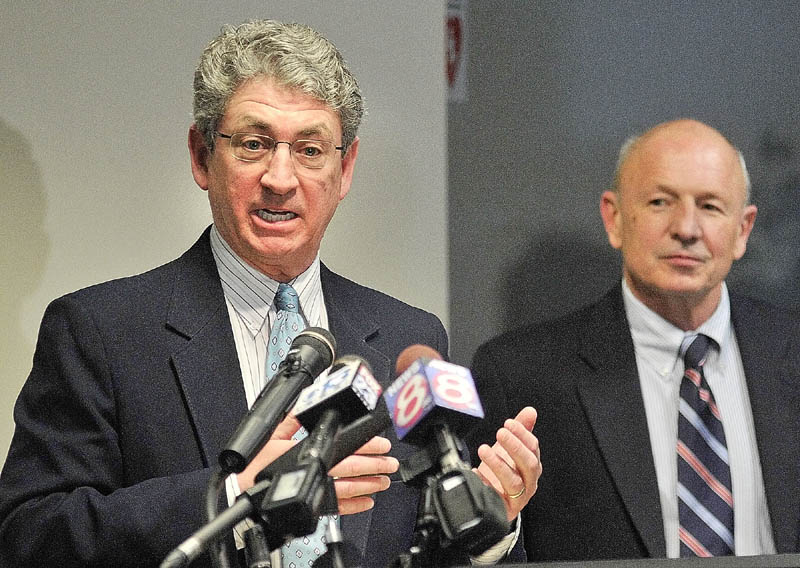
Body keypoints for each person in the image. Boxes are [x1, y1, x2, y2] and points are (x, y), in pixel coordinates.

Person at [0, 19, 540, 568]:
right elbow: (29, 536)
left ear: (345, 167)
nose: (281, 179)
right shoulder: (102, 331)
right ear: (200, 154)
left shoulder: (409, 337)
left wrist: (490, 527)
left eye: (310, 150)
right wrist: (237, 498)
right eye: (254, 144)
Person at [469, 119, 800, 561]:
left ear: (743, 230)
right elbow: (463, 551)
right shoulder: (522, 376)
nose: (687, 228)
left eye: (711, 206)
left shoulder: (791, 352)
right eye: (661, 202)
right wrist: (498, 526)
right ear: (615, 217)